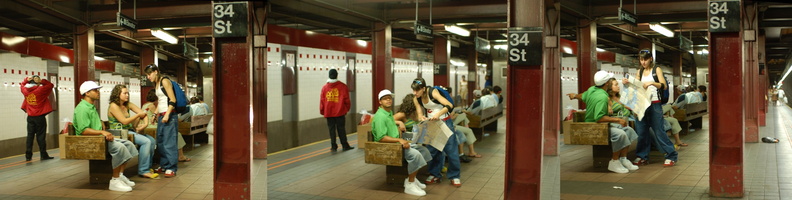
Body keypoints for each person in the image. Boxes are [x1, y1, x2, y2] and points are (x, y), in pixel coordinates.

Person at [567, 72, 639, 173]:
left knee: (629, 130)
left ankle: (623, 159)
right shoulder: (602, 97)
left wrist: (574, 96)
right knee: (620, 134)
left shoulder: (592, 89)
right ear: (607, 84)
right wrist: (618, 120)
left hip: (601, 125)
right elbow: (599, 118)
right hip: (594, 127)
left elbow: (583, 95)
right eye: (610, 81)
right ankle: (614, 162)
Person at [73, 81, 139, 192]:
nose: (98, 92)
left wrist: (100, 122)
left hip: (99, 138)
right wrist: (101, 132)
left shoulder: (91, 106)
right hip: (90, 141)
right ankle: (114, 180)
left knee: (129, 144)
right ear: (87, 93)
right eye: (95, 90)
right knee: (119, 148)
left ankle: (120, 175)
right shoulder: (82, 108)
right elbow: (83, 130)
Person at [623, 49, 678, 167]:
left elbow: (663, 85)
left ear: (651, 59)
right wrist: (627, 83)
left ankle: (671, 156)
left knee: (659, 131)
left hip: (655, 104)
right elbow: (636, 87)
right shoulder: (640, 71)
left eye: (645, 59)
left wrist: (652, 83)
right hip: (642, 105)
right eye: (641, 59)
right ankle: (642, 156)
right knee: (642, 132)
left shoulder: (656, 70)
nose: (643, 62)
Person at [372, 90, 431, 197]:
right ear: (380, 101)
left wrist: (399, 124)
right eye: (385, 98)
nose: (388, 100)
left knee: (424, 151)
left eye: (390, 98)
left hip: (397, 143)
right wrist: (400, 140)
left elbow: (392, 124)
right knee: (415, 155)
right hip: (389, 147)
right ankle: (410, 184)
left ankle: (412, 177)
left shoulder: (388, 113)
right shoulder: (380, 116)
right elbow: (381, 137)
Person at [411, 78, 463, 187]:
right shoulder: (416, 98)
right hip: (432, 125)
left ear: (423, 89)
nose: (414, 93)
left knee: (451, 149)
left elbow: (449, 105)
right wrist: (421, 117)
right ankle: (435, 174)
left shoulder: (433, 92)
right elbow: (419, 112)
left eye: (417, 90)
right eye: (413, 90)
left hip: (445, 122)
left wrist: (438, 114)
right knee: (432, 150)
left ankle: (454, 176)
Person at [107, 85, 159, 179]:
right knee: (146, 141)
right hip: (118, 133)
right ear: (117, 94)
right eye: (124, 93)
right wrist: (138, 115)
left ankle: (148, 166)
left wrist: (145, 124)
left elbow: (143, 113)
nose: (127, 95)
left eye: (128, 93)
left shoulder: (127, 104)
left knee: (151, 140)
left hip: (129, 131)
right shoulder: (113, 106)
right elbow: (124, 121)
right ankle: (143, 170)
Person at [145, 64, 179, 177]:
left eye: (149, 74)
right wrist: (155, 114)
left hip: (170, 115)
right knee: (161, 142)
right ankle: (164, 165)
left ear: (155, 71)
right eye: (147, 75)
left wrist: (167, 114)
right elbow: (161, 101)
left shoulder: (165, 81)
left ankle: (172, 168)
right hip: (161, 116)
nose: (148, 77)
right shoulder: (156, 83)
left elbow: (172, 99)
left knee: (169, 142)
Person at [20, 75, 54, 161]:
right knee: (41, 136)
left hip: (30, 117)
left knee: (30, 136)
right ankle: (43, 155)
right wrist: (41, 81)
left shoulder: (25, 91)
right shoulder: (40, 90)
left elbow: (22, 86)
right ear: (37, 83)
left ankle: (28, 156)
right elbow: (50, 85)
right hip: (40, 117)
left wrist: (26, 80)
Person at [320, 69, 353, 152]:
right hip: (340, 112)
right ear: (337, 75)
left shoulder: (324, 88)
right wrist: (346, 109)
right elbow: (347, 100)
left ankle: (333, 146)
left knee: (331, 129)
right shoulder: (343, 86)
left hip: (329, 112)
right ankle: (345, 145)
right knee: (341, 129)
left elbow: (322, 100)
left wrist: (322, 111)